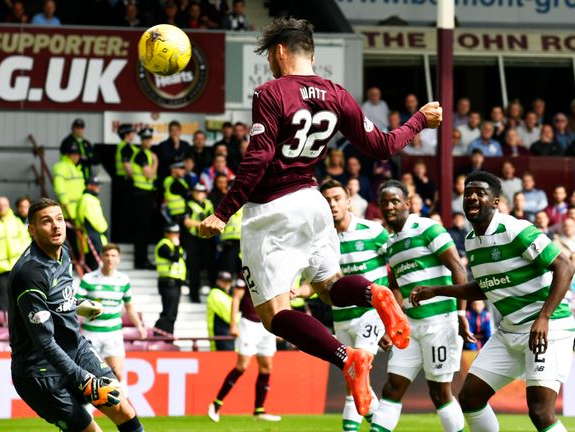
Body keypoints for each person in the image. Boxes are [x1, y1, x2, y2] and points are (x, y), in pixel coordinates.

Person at [198, 17, 443, 417]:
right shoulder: (337, 94)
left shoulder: (270, 92)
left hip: (273, 210)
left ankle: (348, 358)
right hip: (313, 203)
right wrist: (418, 120)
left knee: (274, 315)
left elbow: (258, 156)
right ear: (311, 53)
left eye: (270, 58)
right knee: (329, 287)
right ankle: (375, 293)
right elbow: (382, 146)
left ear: (279, 53)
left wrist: (223, 213)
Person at [412, 171, 575, 432]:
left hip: (547, 328)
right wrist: (438, 290)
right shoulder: (471, 241)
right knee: (470, 399)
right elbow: (485, 287)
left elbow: (565, 267)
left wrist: (544, 317)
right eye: (468, 193)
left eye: (480, 193)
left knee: (540, 411)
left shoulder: (515, 229)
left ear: (496, 202)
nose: (472, 197)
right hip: (510, 330)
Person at [7, 198, 144, 432]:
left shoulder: (64, 253)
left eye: (59, 219)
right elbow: (44, 342)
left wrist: (78, 304)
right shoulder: (29, 274)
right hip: (39, 371)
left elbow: (57, 298)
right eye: (46, 222)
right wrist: (84, 379)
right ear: (32, 230)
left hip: (75, 349)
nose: (56, 226)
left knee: (121, 404)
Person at [371, 180, 469, 432]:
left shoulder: (428, 228)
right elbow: (395, 287)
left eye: (395, 201)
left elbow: (458, 268)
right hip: (410, 327)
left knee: (440, 393)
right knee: (391, 387)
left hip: (440, 322)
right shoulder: (390, 245)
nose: (389, 206)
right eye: (385, 202)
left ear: (407, 202)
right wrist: (392, 322)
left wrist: (460, 313)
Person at [320, 180, 389, 431]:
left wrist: (394, 316)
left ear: (349, 201)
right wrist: (298, 289)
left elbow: (398, 264)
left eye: (337, 198)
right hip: (341, 318)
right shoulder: (322, 242)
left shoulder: (373, 231)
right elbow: (318, 283)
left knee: (358, 370)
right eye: (327, 200)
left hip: (371, 314)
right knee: (355, 382)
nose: (332, 204)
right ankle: (381, 425)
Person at [209, 277, 281, 423]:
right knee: (242, 366)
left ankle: (259, 410)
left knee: (266, 367)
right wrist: (233, 324)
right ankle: (216, 404)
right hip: (249, 324)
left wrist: (280, 325)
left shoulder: (273, 269)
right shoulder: (246, 271)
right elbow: (236, 299)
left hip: (267, 324)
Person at [77, 243, 146, 383]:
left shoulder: (123, 280)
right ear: (101, 257)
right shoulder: (88, 279)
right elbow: (76, 304)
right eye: (107, 255)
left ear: (118, 259)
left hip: (113, 333)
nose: (110, 259)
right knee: (86, 375)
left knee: (118, 374)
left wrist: (139, 326)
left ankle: (117, 402)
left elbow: (129, 306)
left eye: (113, 255)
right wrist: (89, 310)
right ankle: (86, 405)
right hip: (91, 333)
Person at [184, 183, 216, 303]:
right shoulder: (189, 205)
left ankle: (215, 293)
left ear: (205, 193)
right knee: (194, 268)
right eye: (196, 191)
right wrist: (202, 224)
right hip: (194, 239)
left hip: (208, 239)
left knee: (211, 266)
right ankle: (194, 295)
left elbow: (213, 219)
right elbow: (187, 222)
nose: (198, 194)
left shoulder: (209, 204)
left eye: (201, 192)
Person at [131, 128, 158, 269]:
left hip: (146, 195)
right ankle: (140, 261)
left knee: (145, 229)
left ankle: (143, 259)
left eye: (149, 138)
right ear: (141, 140)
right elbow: (149, 175)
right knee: (142, 230)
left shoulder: (146, 153)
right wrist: (155, 162)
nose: (148, 141)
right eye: (145, 139)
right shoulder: (141, 154)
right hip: (141, 195)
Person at [153, 224, 187, 335]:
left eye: (178, 233)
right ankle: (159, 334)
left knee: (172, 314)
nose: (176, 235)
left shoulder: (175, 246)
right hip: (168, 283)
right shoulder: (164, 245)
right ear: (167, 234)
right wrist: (176, 246)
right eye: (174, 233)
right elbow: (175, 258)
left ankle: (168, 336)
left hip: (176, 284)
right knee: (168, 312)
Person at [76, 176, 108, 271]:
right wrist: (105, 229)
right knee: (94, 267)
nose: (98, 187)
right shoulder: (89, 200)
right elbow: (96, 220)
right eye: (96, 185)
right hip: (94, 237)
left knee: (92, 265)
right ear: (89, 186)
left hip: (89, 237)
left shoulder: (85, 199)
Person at [113, 124, 137, 242]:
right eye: (132, 132)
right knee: (126, 213)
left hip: (122, 182)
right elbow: (126, 165)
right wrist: (136, 177)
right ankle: (125, 238)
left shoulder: (122, 146)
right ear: (127, 134)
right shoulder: (125, 147)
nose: (134, 134)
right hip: (125, 182)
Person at [52, 141, 85, 224]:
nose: (75, 156)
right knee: (70, 233)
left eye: (77, 154)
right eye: (72, 154)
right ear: (67, 155)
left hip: (78, 209)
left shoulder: (77, 169)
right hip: (68, 209)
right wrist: (64, 200)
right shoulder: (62, 166)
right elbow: (58, 184)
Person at [206, 272, 235, 351]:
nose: (227, 284)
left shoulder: (225, 294)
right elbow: (229, 315)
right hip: (221, 336)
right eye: (224, 281)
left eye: (229, 281)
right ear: (218, 281)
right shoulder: (215, 293)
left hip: (226, 335)